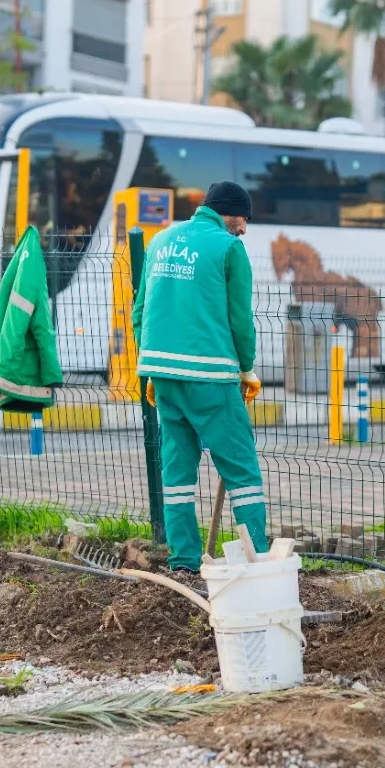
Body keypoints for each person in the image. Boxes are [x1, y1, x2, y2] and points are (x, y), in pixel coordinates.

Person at [132, 181, 267, 572]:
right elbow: (240, 319)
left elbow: (140, 311)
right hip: (210, 375)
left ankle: (184, 561)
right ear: (230, 212)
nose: (244, 229)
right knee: (241, 468)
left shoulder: (159, 242)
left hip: (163, 375)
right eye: (244, 219)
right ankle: (257, 559)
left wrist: (153, 367)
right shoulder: (228, 248)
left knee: (176, 472)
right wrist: (246, 368)